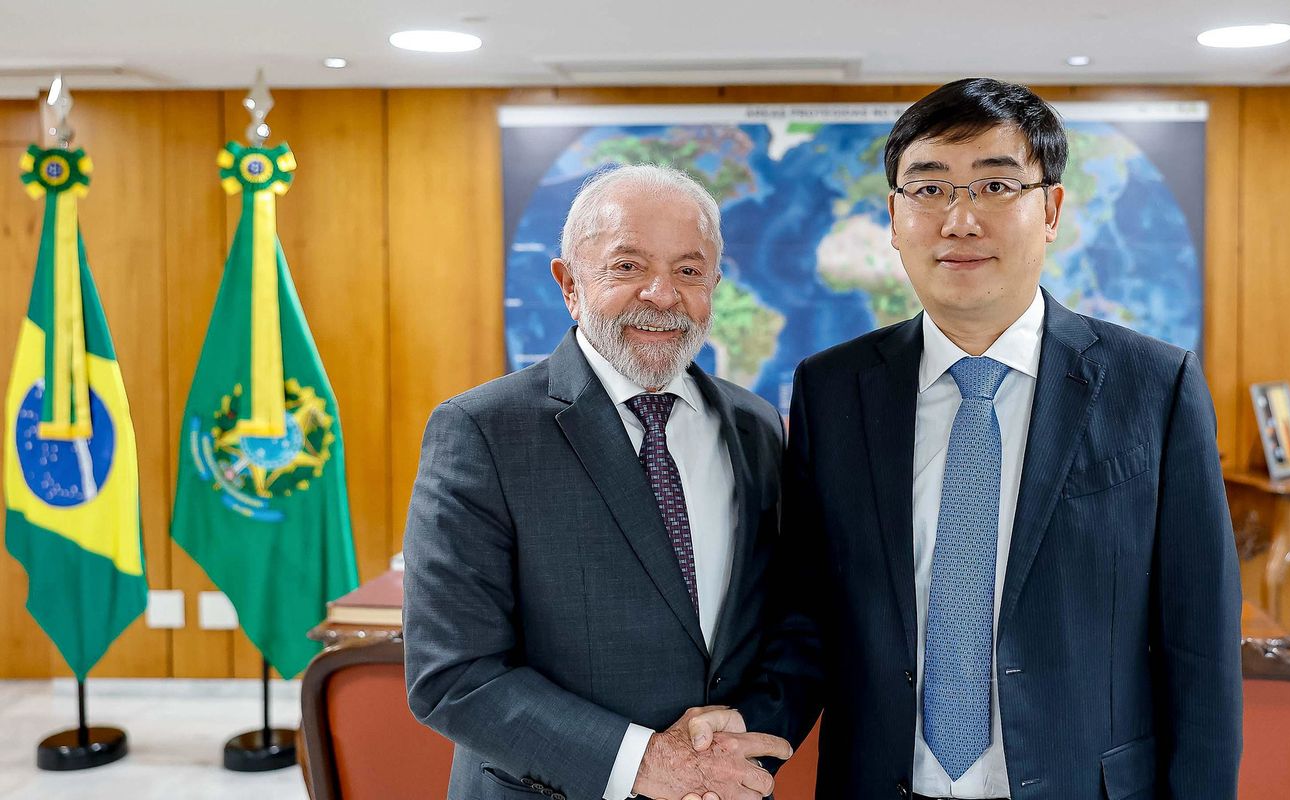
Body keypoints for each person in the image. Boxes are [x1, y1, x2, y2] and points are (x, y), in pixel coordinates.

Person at [696, 77, 1243, 800]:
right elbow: (811, 614)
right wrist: (746, 734)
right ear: (895, 218)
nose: (959, 220)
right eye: (929, 190)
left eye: (995, 186)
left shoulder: (1154, 386)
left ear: (1051, 210)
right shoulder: (833, 390)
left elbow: (1200, 646)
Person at [404, 164, 792, 800]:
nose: (662, 295)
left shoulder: (756, 426)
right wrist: (647, 763)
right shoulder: (482, 430)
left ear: (714, 286)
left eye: (688, 271)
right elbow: (452, 675)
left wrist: (738, 741)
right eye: (628, 266)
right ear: (569, 284)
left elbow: (780, 621)